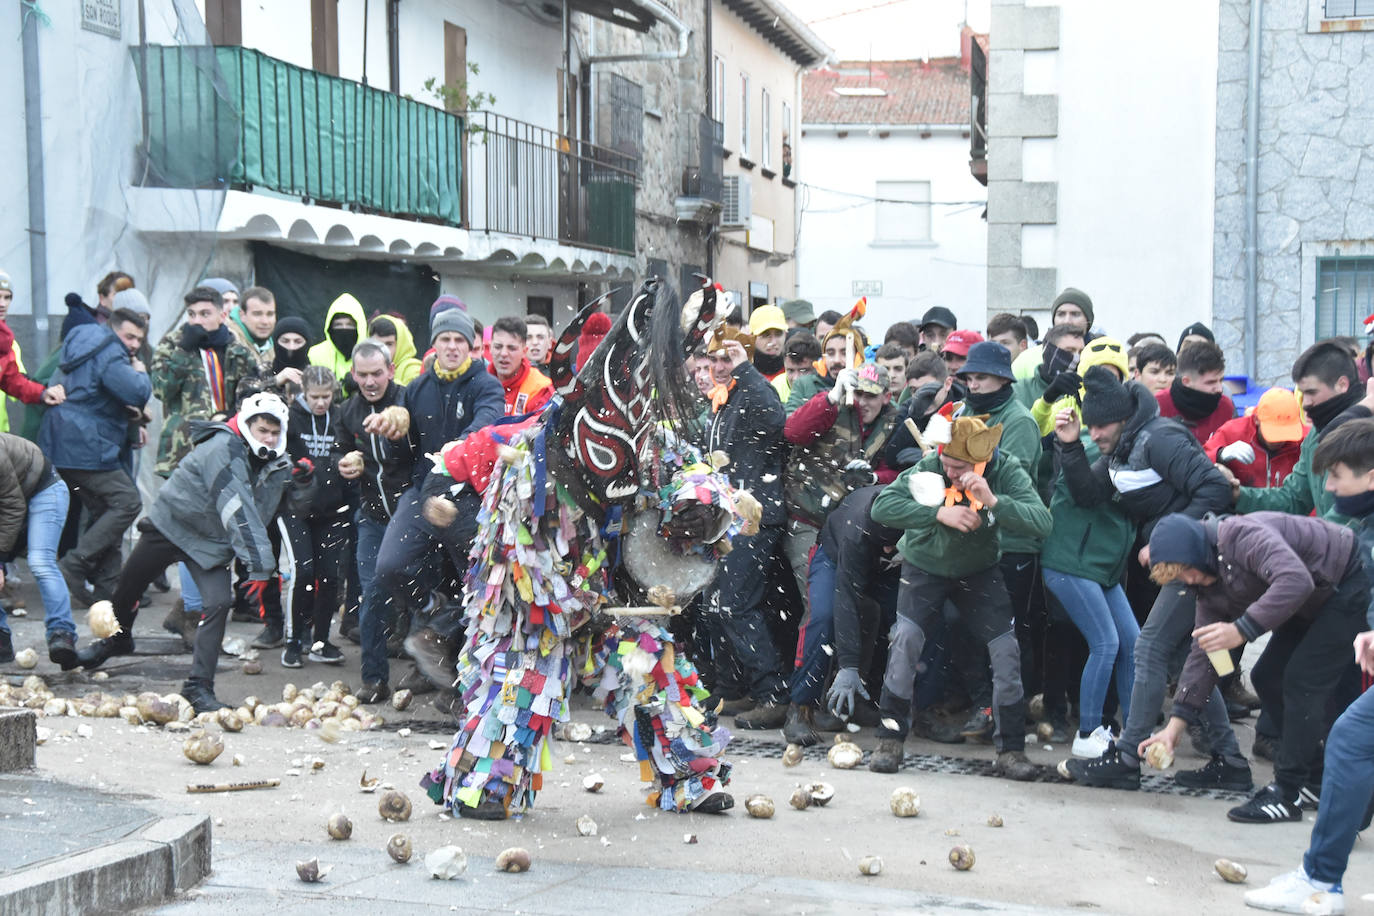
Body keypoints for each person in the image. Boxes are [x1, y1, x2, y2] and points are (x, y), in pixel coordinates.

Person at [1054, 366, 1242, 791]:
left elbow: (1214, 489)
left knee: (1150, 647)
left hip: (1201, 558)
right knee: (1186, 658)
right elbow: (1088, 493)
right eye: (1092, 424)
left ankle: (1127, 757)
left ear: (1122, 419)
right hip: (1182, 560)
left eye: (1102, 425)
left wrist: (1163, 541)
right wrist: (1069, 446)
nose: (1095, 432)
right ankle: (1229, 758)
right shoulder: (1120, 448)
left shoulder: (1160, 439)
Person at [76, 393, 310, 713]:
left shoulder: (276, 461)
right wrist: (260, 569)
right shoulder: (222, 447)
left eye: (274, 431)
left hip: (211, 544)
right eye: (262, 430)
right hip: (172, 525)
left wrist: (303, 480)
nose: (268, 438)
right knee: (129, 583)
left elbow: (279, 508)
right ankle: (116, 639)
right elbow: (238, 510)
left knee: (218, 602)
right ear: (247, 424)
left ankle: (199, 686)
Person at [1139, 511, 1367, 824]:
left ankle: (1287, 793)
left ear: (1197, 552)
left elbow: (1296, 580)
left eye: (1188, 570)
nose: (1190, 580)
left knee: (1301, 680)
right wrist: (1175, 727)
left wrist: (1240, 630)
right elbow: (1207, 656)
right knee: (1267, 676)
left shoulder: (1240, 537)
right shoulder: (1207, 591)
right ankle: (1316, 778)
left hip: (1348, 578)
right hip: (1312, 599)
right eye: (1182, 578)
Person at [863, 415, 1050, 779]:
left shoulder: (1006, 470)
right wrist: (938, 514)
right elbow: (881, 507)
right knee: (905, 639)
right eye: (946, 463)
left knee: (1006, 649)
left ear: (983, 460)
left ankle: (1010, 748)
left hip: (979, 571)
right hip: (924, 565)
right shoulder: (932, 464)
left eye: (958, 467)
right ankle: (889, 739)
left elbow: (1042, 522)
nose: (948, 471)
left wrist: (993, 501)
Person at [1240, 419, 1374, 912]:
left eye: (1337, 476)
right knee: (1351, 738)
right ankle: (1320, 879)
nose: (1331, 488)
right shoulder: (1359, 522)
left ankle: (1320, 881)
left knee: (1351, 738)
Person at [376, 307, 503, 696]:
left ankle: (463, 670)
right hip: (420, 493)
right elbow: (402, 454)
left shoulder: (486, 385)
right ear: (434, 344)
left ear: (471, 347)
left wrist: (452, 457)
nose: (451, 346)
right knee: (390, 566)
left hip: (466, 496)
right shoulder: (415, 389)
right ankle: (434, 610)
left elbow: (485, 427)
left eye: (459, 341)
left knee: (479, 580)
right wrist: (392, 432)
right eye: (445, 339)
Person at [781, 362, 899, 675]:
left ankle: (846, 696)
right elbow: (793, 431)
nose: (863, 401)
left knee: (865, 609)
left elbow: (904, 471)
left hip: (853, 531)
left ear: (887, 396)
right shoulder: (833, 406)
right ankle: (800, 702)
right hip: (808, 522)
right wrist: (830, 397)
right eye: (858, 392)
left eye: (871, 395)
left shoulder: (896, 421)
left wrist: (876, 476)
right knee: (820, 610)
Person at [702, 328, 790, 729]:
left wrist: (747, 369)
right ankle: (733, 687)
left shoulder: (755, 391)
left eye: (729, 357)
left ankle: (773, 695)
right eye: (715, 359)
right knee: (714, 606)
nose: (720, 366)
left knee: (735, 604)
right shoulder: (721, 401)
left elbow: (776, 420)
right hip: (724, 519)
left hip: (755, 519)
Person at [40, 308, 151, 608]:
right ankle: (74, 566)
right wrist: (140, 372)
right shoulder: (112, 353)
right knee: (127, 501)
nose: (134, 344)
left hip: (59, 439)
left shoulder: (81, 337)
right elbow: (136, 391)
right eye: (129, 336)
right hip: (86, 444)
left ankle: (109, 589)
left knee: (106, 510)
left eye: (139, 339)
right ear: (114, 329)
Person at [1040, 419, 1138, 758]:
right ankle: (1087, 734)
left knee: (1133, 642)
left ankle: (1134, 732)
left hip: (1102, 569)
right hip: (1069, 563)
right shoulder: (1092, 453)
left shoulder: (1137, 456)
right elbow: (1081, 486)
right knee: (1106, 642)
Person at [786, 485, 902, 746]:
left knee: (903, 623)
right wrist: (848, 665)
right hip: (834, 557)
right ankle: (800, 707)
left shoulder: (923, 521)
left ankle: (859, 701)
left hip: (889, 572)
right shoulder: (855, 532)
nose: (887, 549)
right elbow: (845, 600)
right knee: (823, 618)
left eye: (891, 544)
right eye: (882, 544)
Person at [338, 341, 415, 704]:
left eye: (376, 374)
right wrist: (346, 462)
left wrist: (403, 427)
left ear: (391, 371)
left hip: (410, 516)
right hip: (371, 516)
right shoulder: (348, 411)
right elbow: (340, 452)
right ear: (353, 375)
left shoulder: (408, 400)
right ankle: (374, 679)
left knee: (421, 594)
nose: (370, 382)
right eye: (363, 375)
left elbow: (428, 448)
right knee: (371, 596)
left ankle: (429, 673)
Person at [1228, 341, 1362, 524]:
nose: (1305, 403)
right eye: (1302, 393)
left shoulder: (1364, 435)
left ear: (1342, 384)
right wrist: (1237, 495)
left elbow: (1348, 519)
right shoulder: (1315, 435)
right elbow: (1294, 498)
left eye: (1311, 392)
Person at [280, 366, 352, 668]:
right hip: (295, 508)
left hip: (331, 509)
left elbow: (347, 447)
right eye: (314, 397)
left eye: (326, 396)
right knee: (303, 573)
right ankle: (294, 640)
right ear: (302, 394)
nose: (321, 403)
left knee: (330, 577)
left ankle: (321, 641)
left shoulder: (339, 416)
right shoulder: (290, 416)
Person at [150, 285, 258, 478]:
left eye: (205, 314)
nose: (196, 321)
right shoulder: (173, 343)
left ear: (222, 315)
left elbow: (251, 395)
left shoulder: (237, 350)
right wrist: (183, 350)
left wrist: (229, 416)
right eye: (192, 314)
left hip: (227, 446)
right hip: (183, 450)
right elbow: (161, 390)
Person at [0, 433, 76, 668]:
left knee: (40, 561)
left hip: (44, 490)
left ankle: (61, 633)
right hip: (11, 501)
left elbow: (12, 506)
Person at [1205, 387, 1306, 489]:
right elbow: (1198, 463)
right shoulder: (1231, 432)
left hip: (1288, 503)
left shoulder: (1304, 441)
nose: (1280, 440)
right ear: (1257, 419)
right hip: (1239, 502)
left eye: (1287, 432)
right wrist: (1220, 454)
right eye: (1273, 432)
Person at [1156, 340, 1234, 444]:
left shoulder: (1225, 407)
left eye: (1221, 380)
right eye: (1210, 382)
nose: (1219, 389)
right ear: (1186, 381)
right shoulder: (1159, 404)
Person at [1012, 287, 1093, 379]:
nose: (1067, 321)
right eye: (1061, 314)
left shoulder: (1102, 356)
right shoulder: (1026, 359)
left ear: (1088, 321)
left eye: (1075, 314)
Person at [486, 316, 553, 416]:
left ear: (524, 351)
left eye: (511, 348)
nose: (504, 353)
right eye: (498, 347)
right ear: (490, 348)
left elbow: (536, 428)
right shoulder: (478, 382)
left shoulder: (541, 387)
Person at [307, 292, 367, 379]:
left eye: (350, 325)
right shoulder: (315, 354)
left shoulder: (371, 354)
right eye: (338, 325)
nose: (344, 328)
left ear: (359, 326)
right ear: (330, 327)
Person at [226, 286, 277, 368]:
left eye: (270, 314)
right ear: (242, 315)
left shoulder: (273, 345)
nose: (265, 321)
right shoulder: (229, 341)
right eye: (257, 314)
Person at [367, 315, 424, 384]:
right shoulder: (363, 368)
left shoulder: (413, 370)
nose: (382, 350)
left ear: (400, 345)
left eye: (388, 344)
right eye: (376, 344)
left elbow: (409, 394)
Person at [270, 316, 312, 397]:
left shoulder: (319, 376)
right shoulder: (259, 372)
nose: (291, 347)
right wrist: (276, 381)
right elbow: (244, 399)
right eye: (285, 341)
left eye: (298, 341)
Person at [773, 330, 820, 403]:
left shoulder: (827, 389)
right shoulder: (775, 388)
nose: (796, 378)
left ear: (818, 368)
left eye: (803, 371)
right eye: (790, 371)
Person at [749, 305, 788, 383]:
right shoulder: (741, 370)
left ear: (785, 334)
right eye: (765, 335)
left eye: (778, 334)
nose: (773, 342)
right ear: (752, 338)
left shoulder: (796, 369)